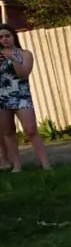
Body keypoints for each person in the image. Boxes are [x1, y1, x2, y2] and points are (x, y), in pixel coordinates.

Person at [0, 23, 52, 171]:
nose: (5, 39)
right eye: (1, 37)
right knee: (7, 132)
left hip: (22, 97)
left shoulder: (25, 54)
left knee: (31, 130)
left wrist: (13, 59)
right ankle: (17, 166)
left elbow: (23, 74)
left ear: (13, 37)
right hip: (2, 98)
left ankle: (45, 164)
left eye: (7, 36)